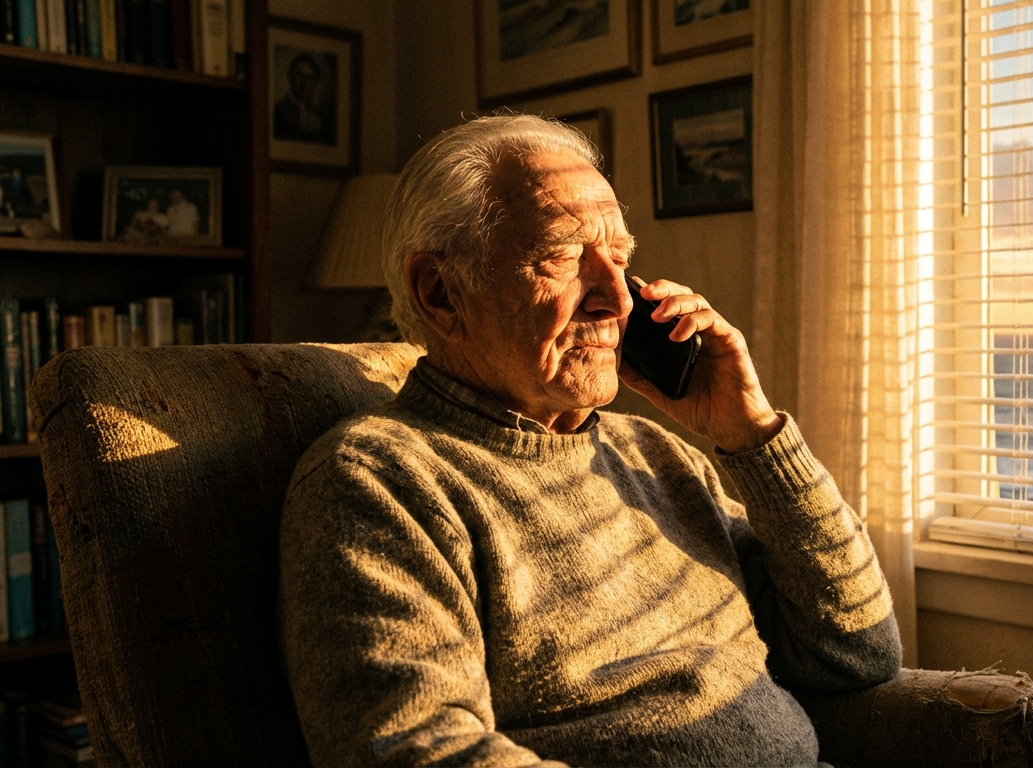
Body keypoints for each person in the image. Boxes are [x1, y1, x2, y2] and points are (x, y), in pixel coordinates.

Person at [278, 114, 901, 767]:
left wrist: (752, 435)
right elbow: (414, 749)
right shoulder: (380, 479)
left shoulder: (656, 457)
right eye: (564, 255)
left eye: (621, 258)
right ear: (440, 293)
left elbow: (856, 653)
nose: (618, 299)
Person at [273, 52, 336, 145]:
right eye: (300, 75)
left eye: (310, 77)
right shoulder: (277, 111)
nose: (305, 83)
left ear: (315, 83)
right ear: (290, 76)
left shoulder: (321, 116)